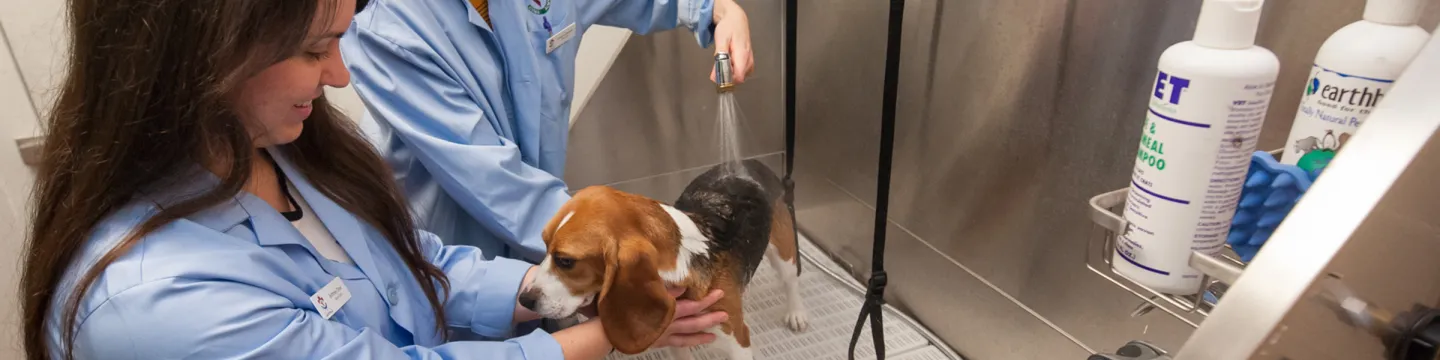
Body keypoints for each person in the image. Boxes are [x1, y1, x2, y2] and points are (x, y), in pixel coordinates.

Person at [19, 0, 727, 359]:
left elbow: (413, 263)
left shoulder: (283, 152)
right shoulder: (156, 305)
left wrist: (541, 292)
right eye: (314, 48)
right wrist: (600, 331)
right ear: (204, 58)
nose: (341, 74)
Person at [340, 0, 755, 263]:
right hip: (449, 254)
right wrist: (627, 255)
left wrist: (718, 10)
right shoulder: (390, 30)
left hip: (547, 228)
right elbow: (498, 185)